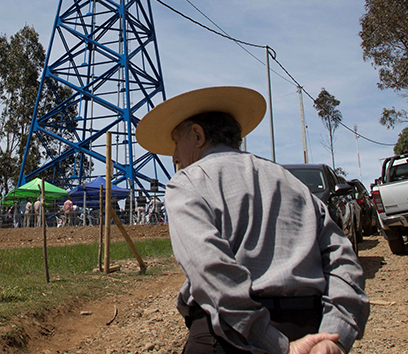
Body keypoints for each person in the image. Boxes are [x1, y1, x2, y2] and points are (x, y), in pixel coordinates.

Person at [135, 86, 369, 354]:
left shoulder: (188, 183)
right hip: (311, 330)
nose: (174, 156)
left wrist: (279, 346)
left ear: (198, 135)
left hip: (229, 338)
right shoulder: (293, 184)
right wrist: (334, 336)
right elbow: (343, 260)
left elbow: (209, 269)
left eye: (176, 143)